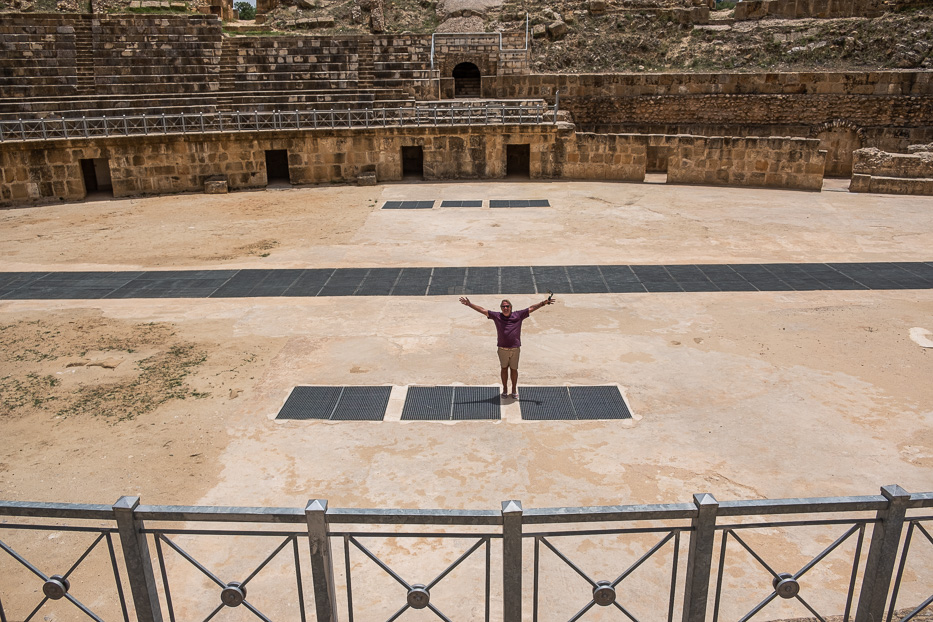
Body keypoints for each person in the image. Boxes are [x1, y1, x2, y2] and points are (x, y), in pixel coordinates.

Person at [459, 294, 556, 399]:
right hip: (502, 349)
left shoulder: (518, 315)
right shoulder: (497, 316)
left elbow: (531, 308)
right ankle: (505, 389)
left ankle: (514, 389)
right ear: (501, 308)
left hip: (515, 349)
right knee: (504, 369)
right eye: (503, 306)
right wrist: (469, 304)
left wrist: (543, 303)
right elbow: (482, 310)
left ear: (511, 307)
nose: (505, 308)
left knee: (514, 369)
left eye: (507, 306)